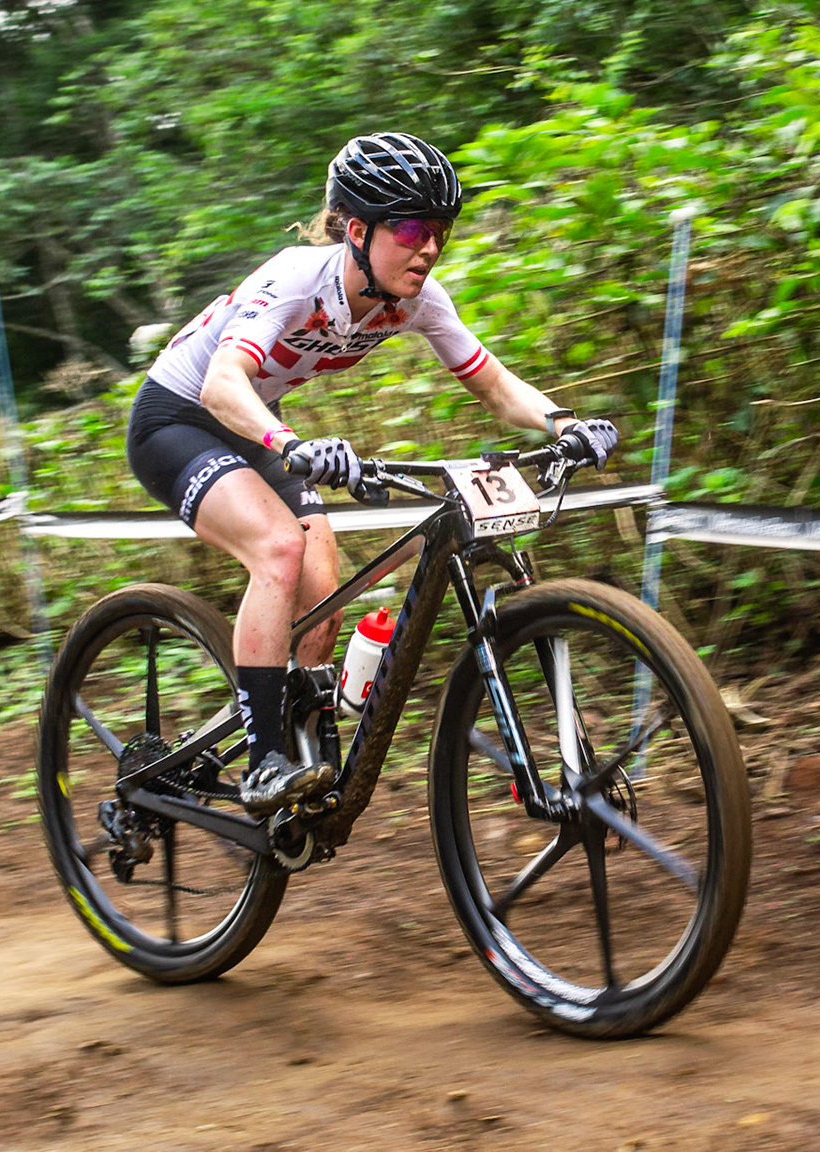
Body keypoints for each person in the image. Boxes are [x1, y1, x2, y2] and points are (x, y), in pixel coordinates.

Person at [127, 132, 618, 814]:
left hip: (254, 422)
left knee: (322, 598)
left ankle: (305, 753)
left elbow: (496, 385)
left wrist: (564, 423)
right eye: (412, 228)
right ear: (357, 229)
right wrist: (288, 440)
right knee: (279, 548)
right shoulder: (299, 278)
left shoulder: (416, 298)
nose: (429, 247)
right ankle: (265, 759)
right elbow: (221, 383)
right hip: (178, 419)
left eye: (439, 231)